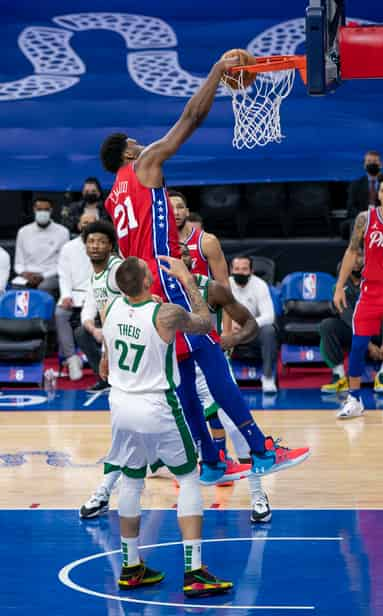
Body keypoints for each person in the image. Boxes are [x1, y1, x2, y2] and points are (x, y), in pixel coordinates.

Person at [100, 55, 309, 484]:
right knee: (214, 363)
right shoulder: (143, 166)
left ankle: (211, 459)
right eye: (136, 141)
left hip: (142, 292)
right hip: (167, 281)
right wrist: (216, 72)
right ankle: (261, 448)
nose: (144, 143)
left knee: (185, 374)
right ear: (126, 150)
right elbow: (191, 118)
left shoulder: (111, 198)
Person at [100, 255, 233, 597]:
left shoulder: (110, 307)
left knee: (131, 479)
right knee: (189, 476)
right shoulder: (166, 314)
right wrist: (188, 279)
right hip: (156, 405)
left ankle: (131, 567)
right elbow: (206, 323)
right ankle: (194, 572)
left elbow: (104, 363)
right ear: (147, 282)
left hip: (120, 405)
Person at [180, 244, 272, 523]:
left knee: (239, 431)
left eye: (186, 253)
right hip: (179, 370)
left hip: (211, 368)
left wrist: (229, 339)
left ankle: (257, 494)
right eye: (175, 252)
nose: (182, 257)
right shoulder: (156, 293)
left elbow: (251, 324)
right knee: (177, 437)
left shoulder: (210, 288)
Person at [334, 173, 383, 419]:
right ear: (378, 194)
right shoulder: (364, 220)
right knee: (357, 346)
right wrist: (339, 286)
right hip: (371, 291)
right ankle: (355, 399)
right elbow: (351, 252)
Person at [320, 252, 383, 394]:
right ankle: (340, 377)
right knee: (327, 326)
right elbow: (348, 318)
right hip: (354, 333)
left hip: (378, 331)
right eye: (355, 258)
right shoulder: (339, 289)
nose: (358, 262)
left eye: (361, 257)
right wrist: (369, 345)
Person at [76, 221, 122, 393]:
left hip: (126, 329)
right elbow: (88, 309)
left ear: (110, 245)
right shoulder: (94, 275)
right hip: (109, 330)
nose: (95, 246)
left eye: (101, 242)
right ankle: (105, 379)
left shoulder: (117, 269)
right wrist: (95, 330)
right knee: (82, 331)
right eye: (91, 241)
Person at [55, 211, 97, 380]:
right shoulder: (68, 247)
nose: (87, 226)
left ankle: (103, 362)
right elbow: (63, 274)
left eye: (91, 222)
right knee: (60, 314)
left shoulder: (103, 245)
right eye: (84, 223)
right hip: (74, 294)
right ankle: (72, 359)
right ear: (79, 226)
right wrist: (65, 295)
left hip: (96, 296)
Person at [230, 256, 278, 393]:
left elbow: (269, 316)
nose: (240, 272)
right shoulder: (224, 285)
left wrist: (247, 325)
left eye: (244, 269)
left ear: (251, 271)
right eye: (237, 269)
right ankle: (218, 380)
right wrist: (227, 324)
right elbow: (215, 314)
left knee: (269, 331)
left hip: (252, 333)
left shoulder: (260, 285)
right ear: (231, 270)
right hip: (230, 332)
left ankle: (268, 378)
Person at [13, 197, 69, 297]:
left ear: (51, 211)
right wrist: (23, 273)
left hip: (50, 275)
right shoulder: (23, 232)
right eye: (39, 209)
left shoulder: (63, 232)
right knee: (17, 286)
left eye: (46, 210)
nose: (42, 212)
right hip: (27, 274)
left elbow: (63, 264)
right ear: (34, 210)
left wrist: (43, 275)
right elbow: (18, 263)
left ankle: (41, 313)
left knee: (44, 287)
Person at [170, 190, 229, 283]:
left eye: (180, 207)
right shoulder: (156, 243)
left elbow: (224, 286)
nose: (176, 212)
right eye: (170, 208)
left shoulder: (207, 241)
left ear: (187, 212)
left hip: (202, 296)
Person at [341, 150, 383, 239]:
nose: (372, 164)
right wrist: (365, 217)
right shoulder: (355, 184)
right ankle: (355, 251)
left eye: (375, 162)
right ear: (364, 165)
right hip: (362, 219)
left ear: (381, 165)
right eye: (369, 162)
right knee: (353, 224)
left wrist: (379, 217)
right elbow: (350, 207)